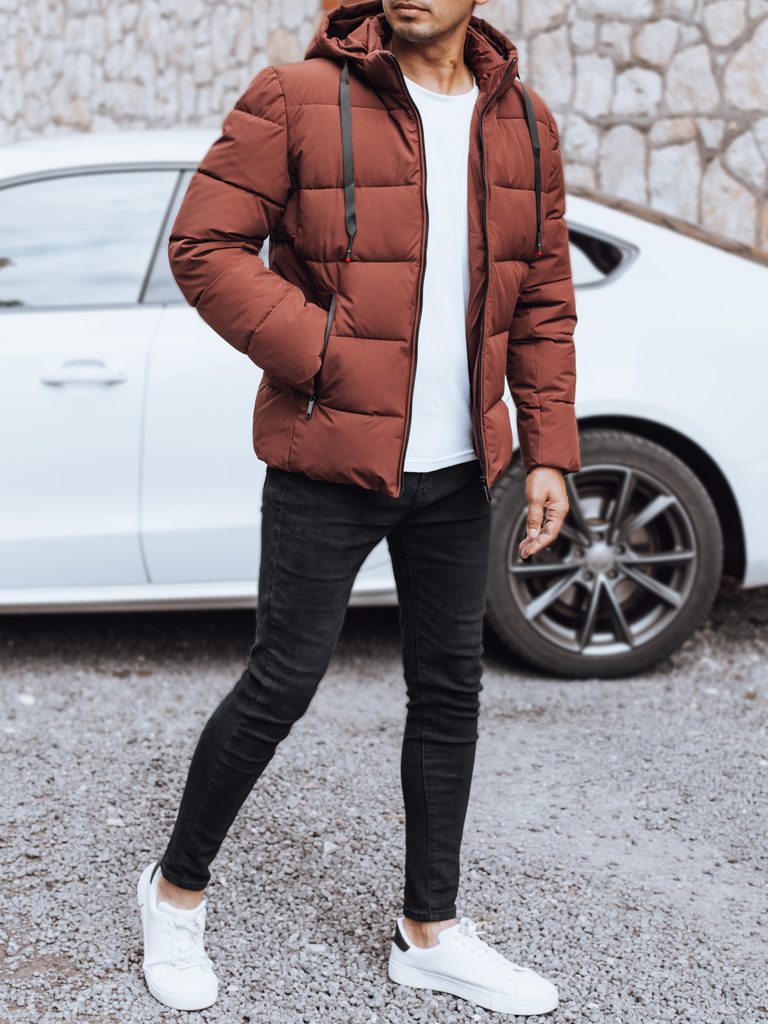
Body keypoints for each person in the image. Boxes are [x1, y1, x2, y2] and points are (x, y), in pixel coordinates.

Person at [136, 0, 580, 1015]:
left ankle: (430, 933)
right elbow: (205, 245)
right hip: (327, 459)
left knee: (450, 692)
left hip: (459, 471)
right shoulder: (297, 95)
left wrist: (550, 448)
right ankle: (174, 893)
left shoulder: (525, 121)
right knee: (281, 683)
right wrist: (326, 354)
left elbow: (544, 297)